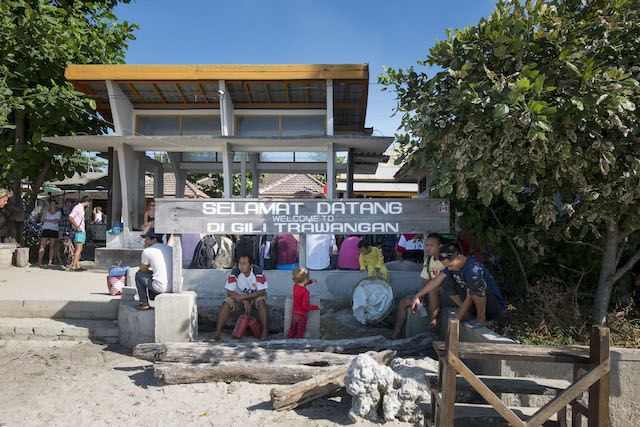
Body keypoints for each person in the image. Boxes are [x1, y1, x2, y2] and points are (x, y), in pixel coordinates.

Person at [411, 243, 506, 327]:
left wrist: (456, 319)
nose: (449, 269)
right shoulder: (452, 266)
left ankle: (481, 318)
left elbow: (469, 298)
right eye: (447, 267)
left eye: (450, 266)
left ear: (459, 257)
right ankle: (468, 314)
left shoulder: (472, 269)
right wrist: (417, 296)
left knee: (475, 282)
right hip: (474, 306)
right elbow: (436, 280)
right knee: (445, 280)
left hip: (492, 308)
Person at [391, 233, 452, 339]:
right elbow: (425, 282)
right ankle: (396, 335)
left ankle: (432, 325)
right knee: (403, 302)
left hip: (447, 294)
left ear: (440, 246)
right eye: (426, 245)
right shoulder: (429, 261)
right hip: (430, 293)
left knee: (433, 289)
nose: (428, 248)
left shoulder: (446, 260)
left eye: (431, 245)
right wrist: (421, 297)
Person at [209, 253, 269, 342]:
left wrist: (243, 297)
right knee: (226, 303)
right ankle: (217, 334)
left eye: (244, 263)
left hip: (255, 296)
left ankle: (265, 331)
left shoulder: (258, 272)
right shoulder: (235, 272)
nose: (241, 266)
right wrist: (244, 301)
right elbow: (229, 292)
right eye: (240, 263)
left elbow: (261, 291)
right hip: (239, 298)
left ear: (251, 265)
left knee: (261, 302)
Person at [135, 228, 173, 310]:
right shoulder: (170, 248)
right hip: (174, 286)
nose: (145, 242)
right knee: (152, 274)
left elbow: (143, 270)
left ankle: (144, 303)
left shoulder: (148, 250)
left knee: (138, 274)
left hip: (161, 287)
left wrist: (145, 249)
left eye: (147, 239)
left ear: (154, 240)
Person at [287, 266, 323, 339]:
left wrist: (311, 281)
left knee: (292, 330)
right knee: (300, 332)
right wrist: (317, 307)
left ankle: (287, 341)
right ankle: (300, 344)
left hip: (295, 313)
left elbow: (302, 283)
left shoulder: (295, 286)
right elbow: (305, 305)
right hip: (302, 315)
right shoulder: (305, 292)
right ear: (305, 279)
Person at [68, 196, 91, 271]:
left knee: (78, 249)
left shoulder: (80, 208)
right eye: (89, 203)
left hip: (80, 230)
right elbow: (70, 217)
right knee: (79, 249)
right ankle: (73, 266)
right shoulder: (78, 208)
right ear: (87, 202)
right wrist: (77, 227)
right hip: (79, 231)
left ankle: (77, 265)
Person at [38, 200, 62, 266]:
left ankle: (50, 261)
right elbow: (42, 220)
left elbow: (56, 221)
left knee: (52, 246)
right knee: (42, 246)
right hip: (46, 229)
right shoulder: (46, 212)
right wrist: (43, 213)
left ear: (56, 205)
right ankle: (39, 262)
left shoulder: (58, 212)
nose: (52, 206)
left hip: (54, 230)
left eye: (53, 204)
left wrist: (47, 220)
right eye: (51, 204)